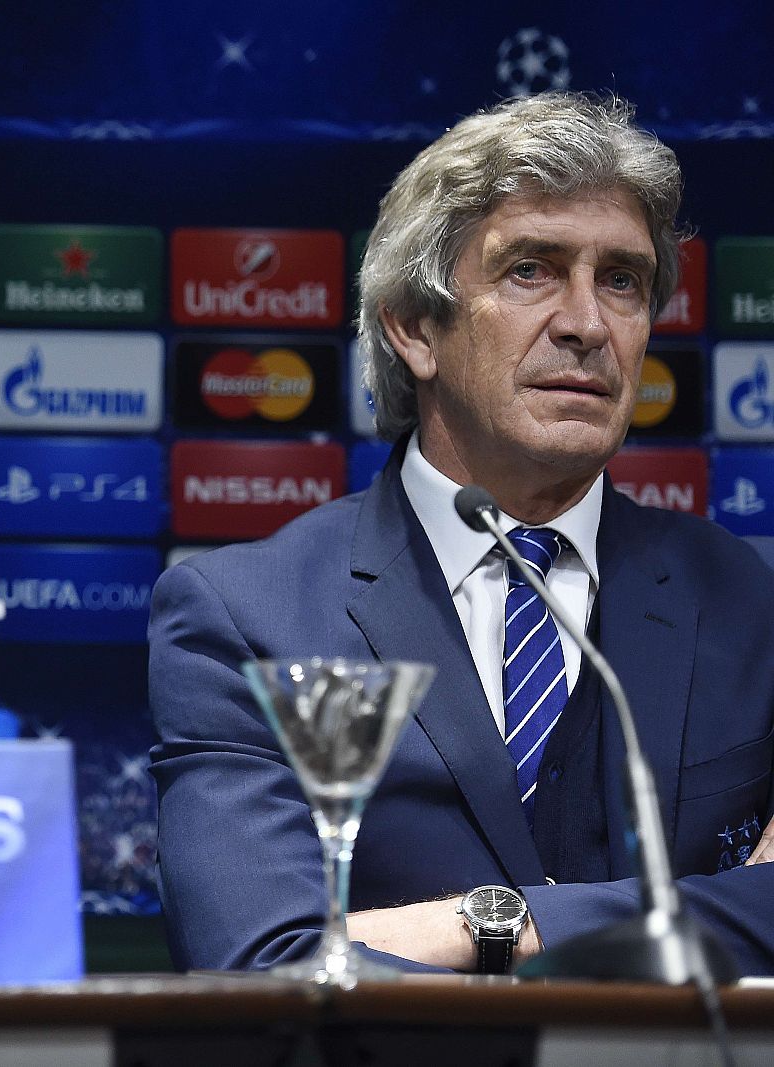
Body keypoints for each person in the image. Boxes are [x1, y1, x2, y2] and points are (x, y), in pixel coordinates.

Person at [150, 93, 774, 975]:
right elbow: (261, 960)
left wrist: (492, 924)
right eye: (532, 271)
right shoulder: (245, 616)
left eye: (622, 280)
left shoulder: (744, 596)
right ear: (414, 327)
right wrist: (689, 920)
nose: (588, 324)